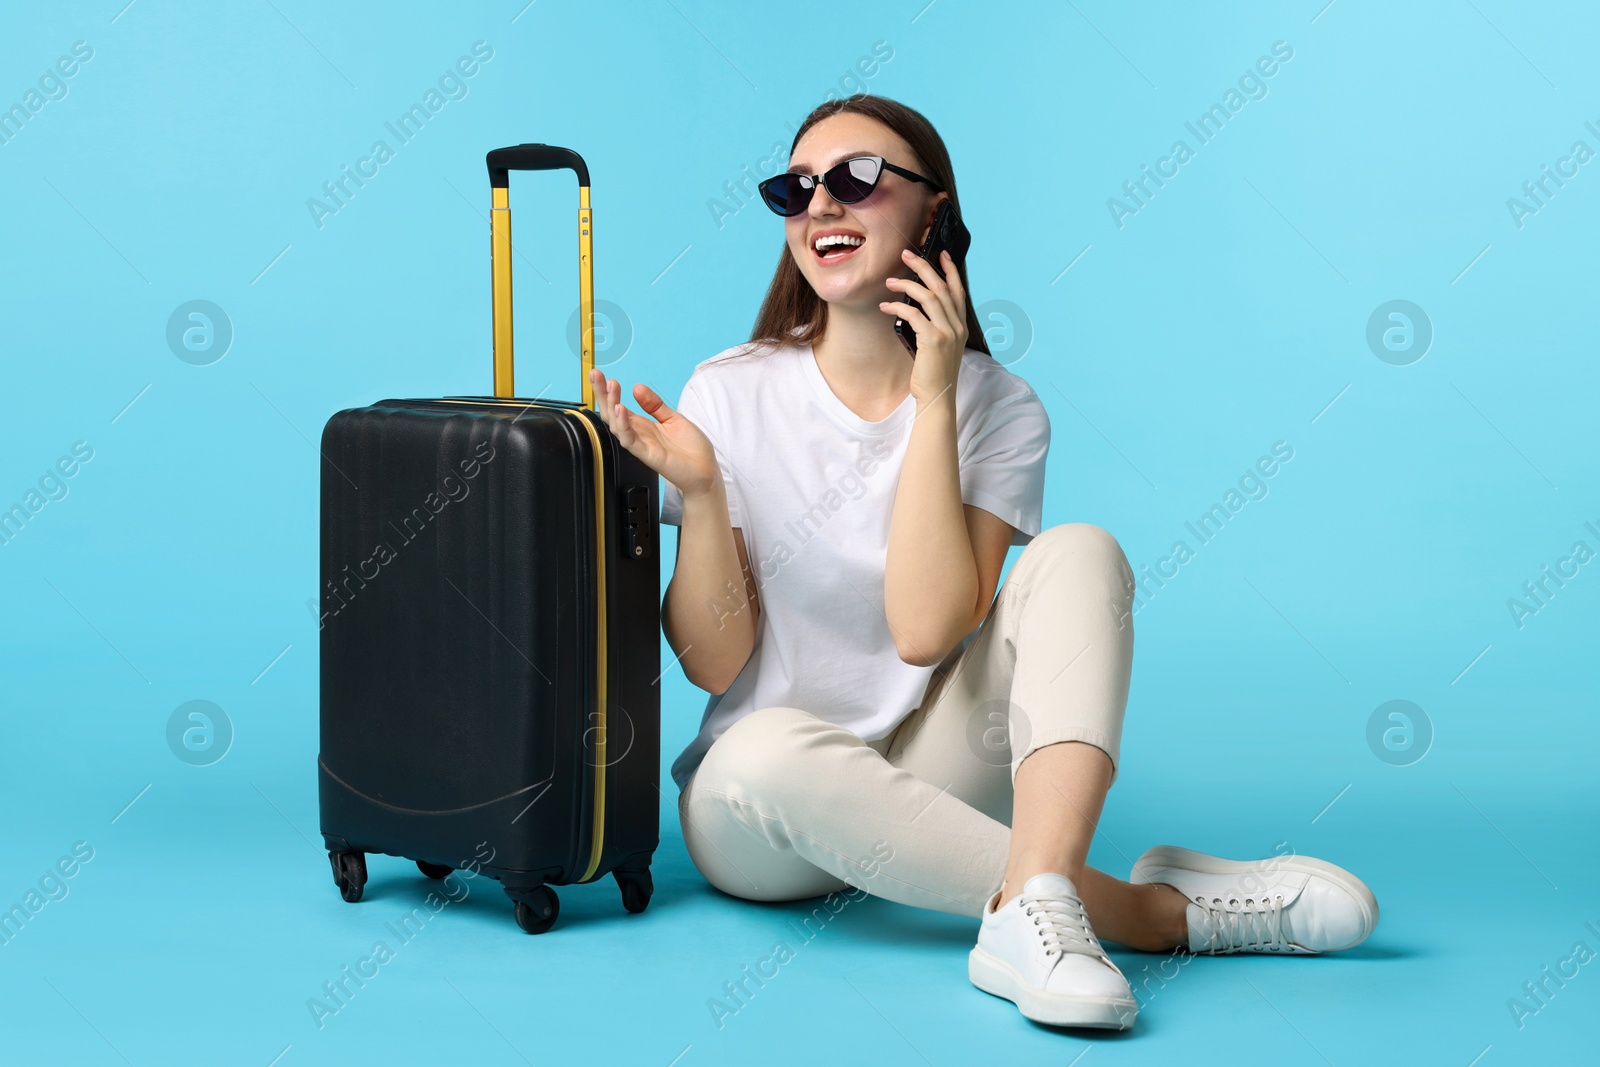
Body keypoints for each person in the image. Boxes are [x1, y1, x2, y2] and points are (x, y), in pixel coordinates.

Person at [587, 94, 1378, 1031]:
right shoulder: (730, 389)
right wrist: (708, 494)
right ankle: (1138, 912)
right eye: (796, 190)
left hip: (939, 771)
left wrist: (934, 398)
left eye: (856, 179)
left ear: (934, 209)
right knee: (759, 752)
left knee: (1083, 553)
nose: (822, 208)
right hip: (761, 815)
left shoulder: (1000, 407)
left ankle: (1034, 905)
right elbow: (714, 667)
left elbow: (926, 630)